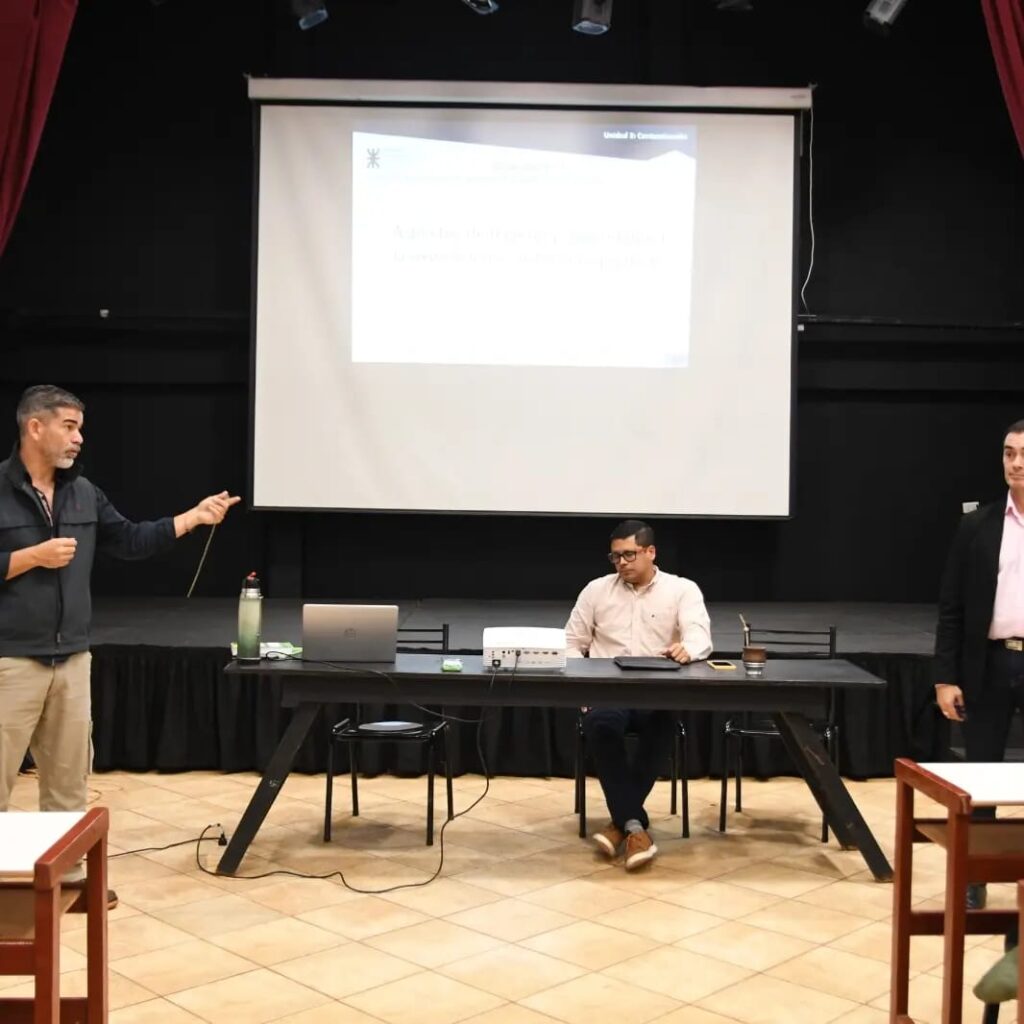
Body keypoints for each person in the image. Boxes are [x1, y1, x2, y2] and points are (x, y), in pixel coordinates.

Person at [0, 385, 240, 905]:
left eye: (80, 428)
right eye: (69, 426)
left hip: (72, 658)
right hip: (10, 660)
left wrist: (193, 518)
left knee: (67, 782)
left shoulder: (84, 493)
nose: (79, 438)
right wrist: (29, 557)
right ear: (34, 427)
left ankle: (63, 880)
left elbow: (131, 540)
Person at [565, 519, 712, 869]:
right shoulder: (596, 590)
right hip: (607, 691)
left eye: (629, 555)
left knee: (662, 724)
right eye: (615, 557)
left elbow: (700, 636)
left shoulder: (681, 589)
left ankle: (622, 823)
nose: (622, 564)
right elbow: (571, 643)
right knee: (600, 724)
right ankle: (634, 825)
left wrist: (687, 649)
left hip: (657, 691)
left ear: (650, 552)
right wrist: (581, 686)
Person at [934, 419, 1024, 909]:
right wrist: (946, 677)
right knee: (983, 775)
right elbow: (951, 606)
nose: (1016, 463)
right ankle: (975, 874)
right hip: (988, 664)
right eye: (1009, 453)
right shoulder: (978, 525)